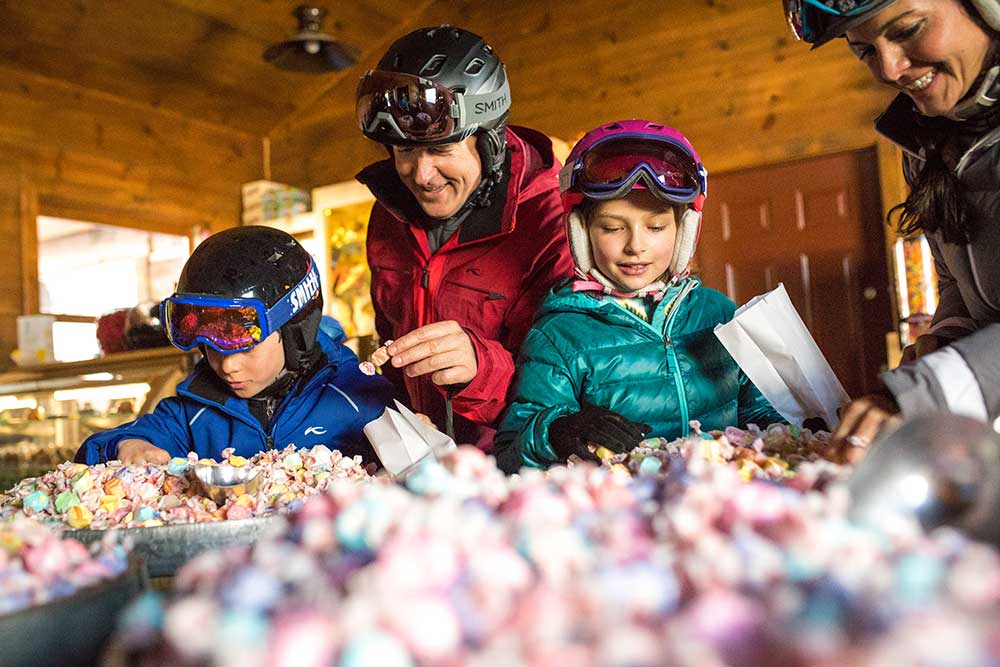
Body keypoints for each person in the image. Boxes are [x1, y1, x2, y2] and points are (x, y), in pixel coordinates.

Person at [492, 120, 785, 473]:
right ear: (581, 233)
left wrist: (800, 427)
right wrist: (558, 431)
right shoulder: (559, 336)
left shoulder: (718, 313)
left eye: (656, 227)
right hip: (622, 517)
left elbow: (759, 416)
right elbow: (511, 452)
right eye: (613, 228)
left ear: (684, 231)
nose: (635, 246)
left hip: (722, 504)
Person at [783, 0, 1000, 458]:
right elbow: (960, 283)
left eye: (908, 29)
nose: (889, 69)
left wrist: (934, 387)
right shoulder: (925, 145)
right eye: (863, 50)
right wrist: (944, 342)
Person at [354, 25, 574, 451]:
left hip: (517, 466)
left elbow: (570, 387)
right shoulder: (388, 215)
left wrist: (480, 367)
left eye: (440, 150)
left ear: (489, 141)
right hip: (424, 462)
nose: (420, 175)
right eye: (404, 151)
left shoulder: (553, 222)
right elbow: (390, 338)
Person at [76, 226, 394, 465]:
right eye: (213, 348)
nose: (228, 366)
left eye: (246, 346)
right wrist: (124, 446)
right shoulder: (191, 413)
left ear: (295, 329)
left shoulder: (359, 399)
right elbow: (101, 446)